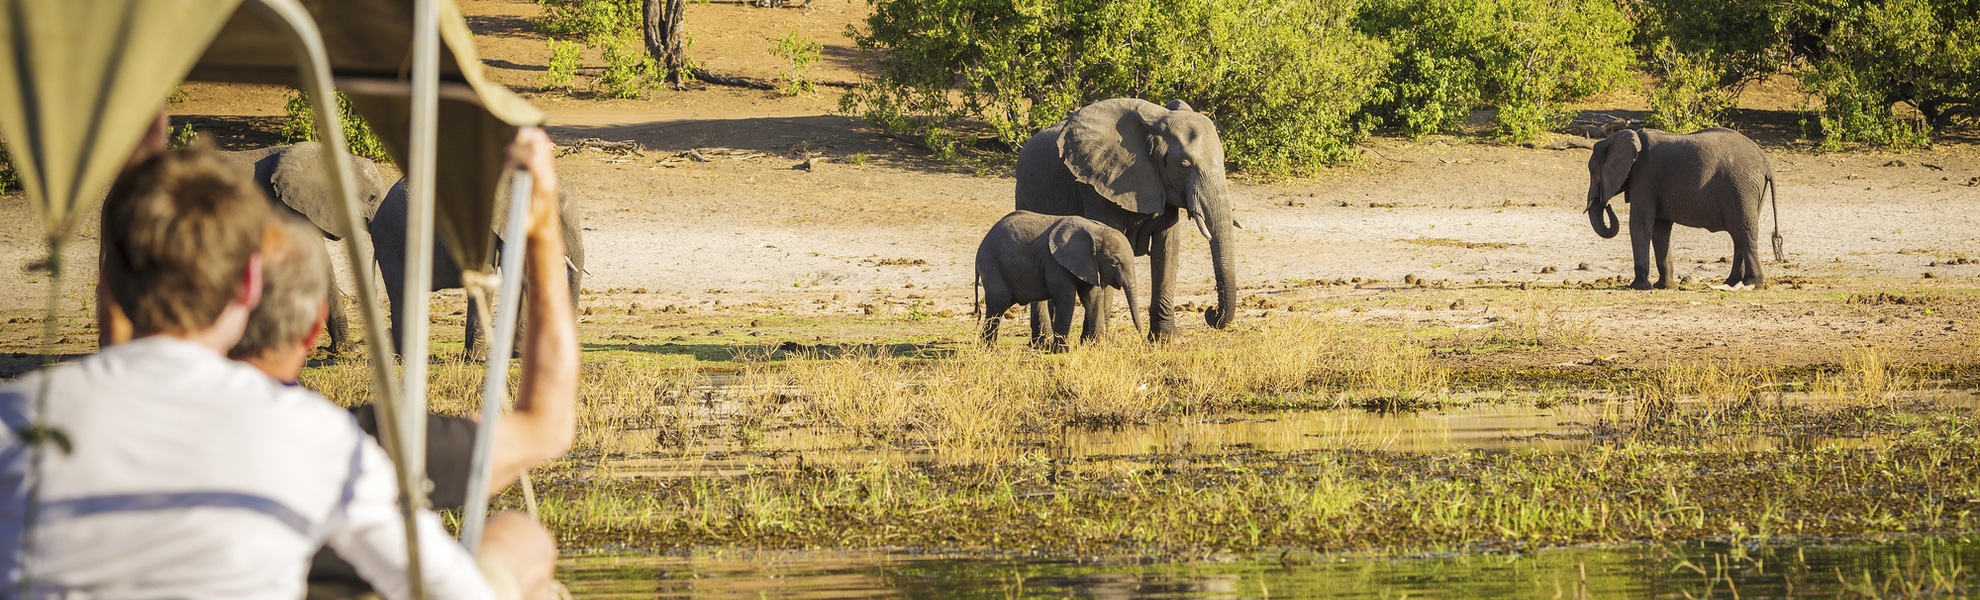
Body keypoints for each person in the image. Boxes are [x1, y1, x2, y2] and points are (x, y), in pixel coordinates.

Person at [0, 144, 493, 600]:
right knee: (514, 544)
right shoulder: (311, 432)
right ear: (250, 283)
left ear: (108, 280)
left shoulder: (13, 419)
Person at [231, 129, 577, 600]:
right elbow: (549, 427)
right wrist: (542, 231)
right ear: (315, 325)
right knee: (520, 538)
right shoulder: (349, 441)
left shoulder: (94, 418)